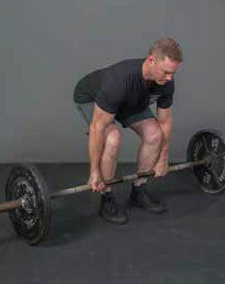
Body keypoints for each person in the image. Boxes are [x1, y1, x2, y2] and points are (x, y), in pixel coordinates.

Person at [73, 37, 183, 225]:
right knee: (112, 138)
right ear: (151, 61)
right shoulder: (119, 81)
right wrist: (94, 172)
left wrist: (163, 159)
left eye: (172, 73)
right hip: (92, 97)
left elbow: (165, 121)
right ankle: (106, 195)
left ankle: (139, 190)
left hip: (130, 100)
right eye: (166, 72)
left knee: (154, 134)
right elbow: (97, 128)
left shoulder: (166, 82)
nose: (169, 78)